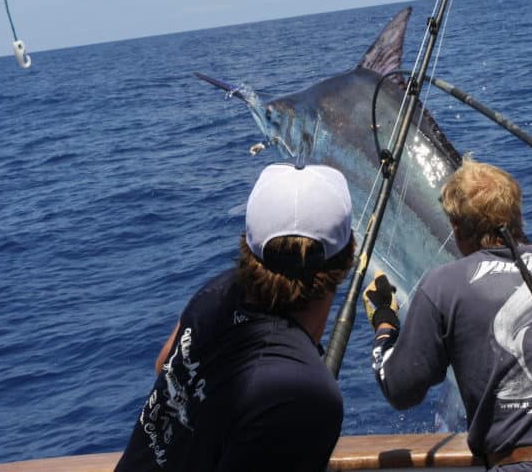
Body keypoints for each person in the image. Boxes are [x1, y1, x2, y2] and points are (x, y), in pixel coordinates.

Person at [364, 157, 532, 471]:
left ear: (456, 227)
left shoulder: (443, 284)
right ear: (516, 214)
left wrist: (384, 321)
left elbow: (400, 390)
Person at [115, 162, 356, 471]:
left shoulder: (217, 292)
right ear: (349, 254)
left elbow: (164, 363)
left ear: (249, 245)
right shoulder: (308, 397)